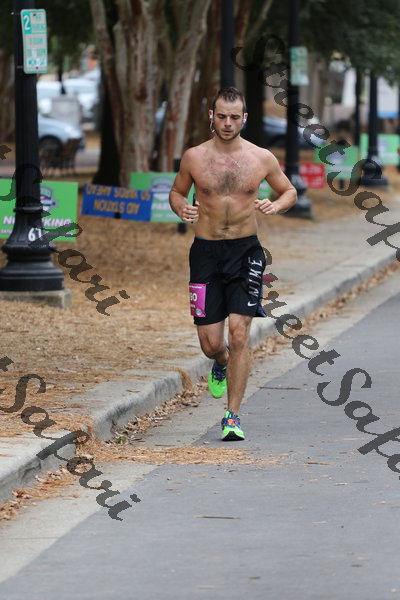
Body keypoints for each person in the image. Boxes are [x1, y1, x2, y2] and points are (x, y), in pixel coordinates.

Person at [169, 87, 296, 441]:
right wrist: (181, 208)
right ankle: (220, 361)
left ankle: (232, 416)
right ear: (212, 116)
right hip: (205, 253)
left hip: (246, 253)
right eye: (222, 116)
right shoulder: (194, 157)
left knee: (240, 334)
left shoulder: (261, 158)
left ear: (245, 119)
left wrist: (276, 205)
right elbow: (177, 192)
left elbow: (289, 191)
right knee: (211, 344)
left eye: (234, 117)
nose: (227, 123)